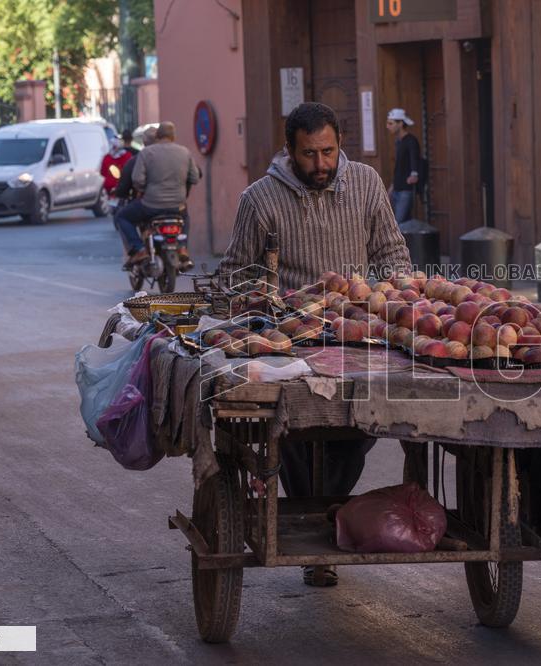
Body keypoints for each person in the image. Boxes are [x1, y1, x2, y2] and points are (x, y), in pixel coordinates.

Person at [219, 101, 411, 587]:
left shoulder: (366, 183)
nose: (321, 164)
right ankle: (318, 527)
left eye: (328, 151)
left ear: (340, 143)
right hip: (291, 344)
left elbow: (391, 253)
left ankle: (326, 511)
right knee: (298, 435)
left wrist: (404, 298)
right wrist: (247, 308)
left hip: (358, 337)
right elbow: (236, 275)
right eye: (309, 155)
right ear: (290, 150)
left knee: (358, 429)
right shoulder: (259, 199)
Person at [114, 121, 199, 269]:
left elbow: (137, 180)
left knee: (122, 216)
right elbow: (195, 178)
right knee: (185, 217)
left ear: (159, 135)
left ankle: (139, 249)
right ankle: (183, 246)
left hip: (150, 205)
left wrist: (143, 188)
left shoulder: (147, 153)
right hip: (177, 205)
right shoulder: (184, 152)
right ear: (173, 136)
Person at [385, 108, 420, 224]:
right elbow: (399, 166)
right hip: (397, 188)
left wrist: (414, 173)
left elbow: (415, 159)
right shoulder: (398, 141)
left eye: (391, 123)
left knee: (398, 225)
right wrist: (392, 185)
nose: (387, 126)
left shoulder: (411, 140)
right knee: (402, 224)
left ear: (400, 124)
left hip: (406, 189)